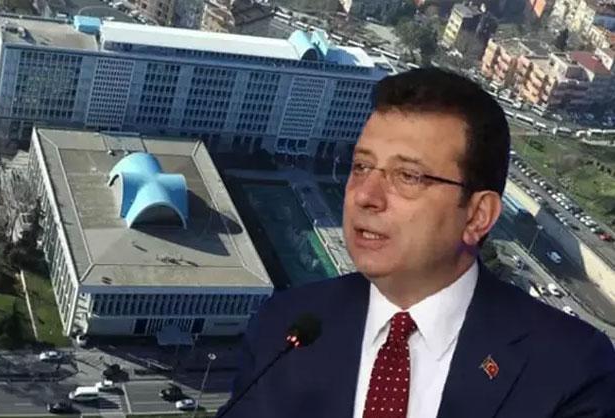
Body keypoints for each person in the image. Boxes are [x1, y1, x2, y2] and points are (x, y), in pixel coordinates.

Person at [217, 68, 615, 418]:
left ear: (478, 215)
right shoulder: (285, 327)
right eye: (362, 167)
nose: (365, 195)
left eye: (408, 176)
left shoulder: (569, 368)